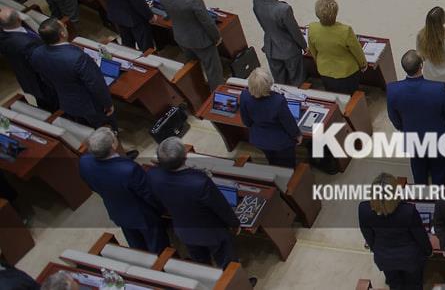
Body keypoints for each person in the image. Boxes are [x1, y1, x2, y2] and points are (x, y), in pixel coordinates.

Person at [147, 137, 241, 268]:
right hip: (212, 232)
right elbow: (220, 207)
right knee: (228, 264)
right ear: (185, 156)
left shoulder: (153, 175)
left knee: (201, 264)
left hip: (184, 231)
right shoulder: (199, 182)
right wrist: (234, 223)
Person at [78, 128, 167, 253]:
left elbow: (92, 186)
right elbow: (148, 195)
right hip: (142, 216)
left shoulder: (84, 162)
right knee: (157, 247)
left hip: (117, 211)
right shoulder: (129, 169)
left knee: (137, 247)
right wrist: (161, 209)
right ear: (113, 145)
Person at [386, 50, 445, 185]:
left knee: (418, 169)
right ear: (421, 65)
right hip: (437, 139)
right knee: (439, 170)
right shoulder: (438, 88)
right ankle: (439, 193)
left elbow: (393, 116)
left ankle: (421, 193)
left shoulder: (392, 89)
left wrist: (403, 128)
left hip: (413, 138)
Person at [32, 18, 114, 128]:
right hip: (90, 105)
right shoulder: (77, 57)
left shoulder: (37, 53)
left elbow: (45, 79)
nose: (66, 26)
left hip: (66, 102)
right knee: (105, 130)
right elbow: (95, 84)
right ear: (62, 34)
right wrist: (107, 103)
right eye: (64, 26)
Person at [358, 172, 432, 289]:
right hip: (410, 258)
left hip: (384, 257)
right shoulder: (408, 211)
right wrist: (428, 251)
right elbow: (420, 236)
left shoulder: (364, 209)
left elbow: (368, 236)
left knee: (394, 284)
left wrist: (376, 249)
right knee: (414, 284)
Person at [156, 0, 224, 87]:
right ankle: (217, 91)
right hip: (201, 41)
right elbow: (206, 21)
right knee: (213, 70)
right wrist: (216, 37)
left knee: (192, 66)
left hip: (181, 37)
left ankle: (198, 89)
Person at [251, 0, 307, 87]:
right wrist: (304, 46)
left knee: (280, 81)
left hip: (270, 48)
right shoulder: (284, 9)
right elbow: (294, 31)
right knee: (297, 80)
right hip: (289, 51)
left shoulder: (256, 2)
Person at [239, 67, 302, 167]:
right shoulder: (278, 100)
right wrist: (297, 135)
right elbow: (288, 123)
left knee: (272, 160)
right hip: (281, 142)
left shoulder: (244, 96)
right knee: (288, 165)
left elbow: (246, 120)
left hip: (260, 139)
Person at [0, 6, 57, 111]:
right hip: (41, 81)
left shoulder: (4, 34)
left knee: (43, 101)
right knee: (52, 102)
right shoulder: (27, 44)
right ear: (19, 19)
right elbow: (42, 64)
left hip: (25, 76)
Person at [306, 0, 367, 94]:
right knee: (350, 95)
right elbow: (357, 50)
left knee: (333, 94)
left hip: (325, 70)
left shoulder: (312, 28)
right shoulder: (345, 30)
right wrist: (363, 64)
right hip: (347, 72)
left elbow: (313, 51)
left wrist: (319, 62)